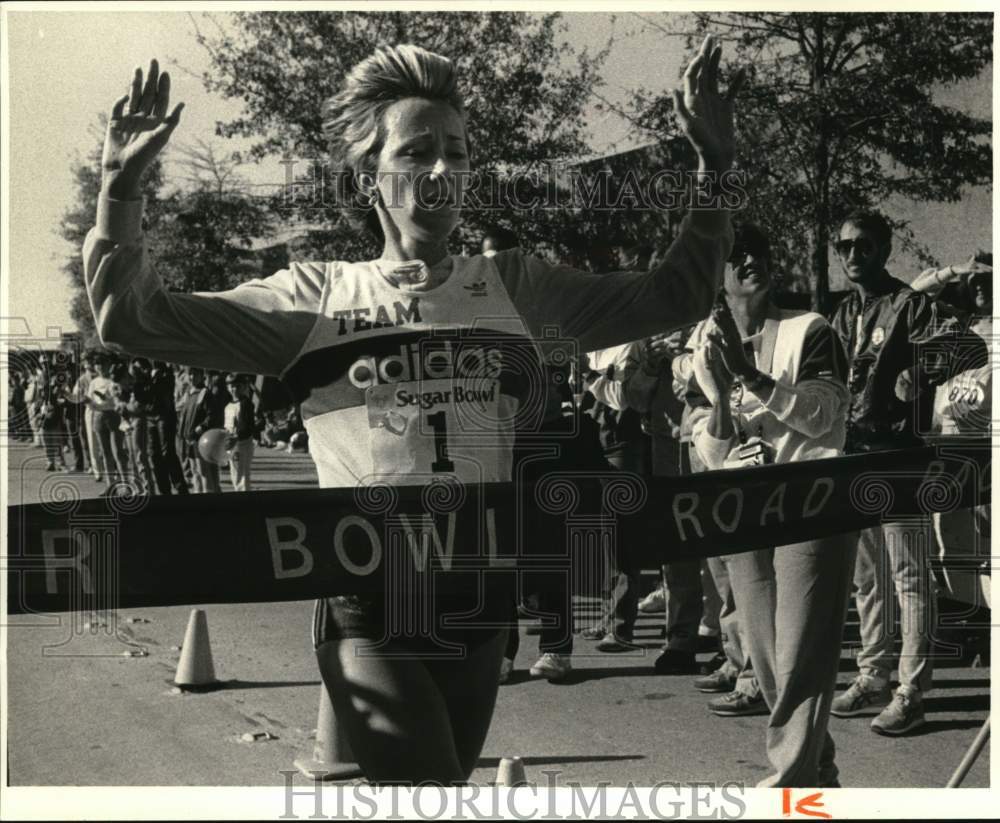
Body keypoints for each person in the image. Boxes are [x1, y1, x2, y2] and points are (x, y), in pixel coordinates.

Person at [83, 38, 742, 783]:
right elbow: (134, 319)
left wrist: (714, 170)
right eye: (417, 151)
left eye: (457, 153)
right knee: (426, 786)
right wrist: (120, 196)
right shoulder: (315, 298)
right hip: (368, 606)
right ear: (369, 175)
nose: (442, 171)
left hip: (482, 605)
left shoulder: (516, 287)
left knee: (436, 791)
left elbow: (677, 295)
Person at [688, 223, 854, 786]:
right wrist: (724, 410)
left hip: (813, 500)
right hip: (743, 506)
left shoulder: (811, 328)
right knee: (766, 654)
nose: (749, 260)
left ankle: (788, 783)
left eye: (758, 251)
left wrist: (751, 376)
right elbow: (706, 446)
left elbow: (823, 415)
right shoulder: (702, 343)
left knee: (800, 651)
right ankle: (817, 771)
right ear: (718, 275)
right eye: (735, 255)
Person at [828, 211, 988, 736]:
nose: (854, 256)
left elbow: (970, 347)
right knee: (866, 578)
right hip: (853, 457)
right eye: (845, 246)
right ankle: (872, 673)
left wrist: (918, 372)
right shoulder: (841, 312)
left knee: (910, 578)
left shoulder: (911, 305)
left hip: (900, 457)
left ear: (884, 249)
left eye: (864, 246)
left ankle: (912, 689)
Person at [223, 373, 257, 491]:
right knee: (234, 474)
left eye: (237, 386)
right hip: (231, 445)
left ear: (243, 387)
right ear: (227, 388)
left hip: (241, 444)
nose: (234, 389)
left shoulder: (245, 404)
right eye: (231, 386)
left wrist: (237, 437)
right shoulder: (228, 406)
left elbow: (248, 426)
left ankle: (244, 499)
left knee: (242, 476)